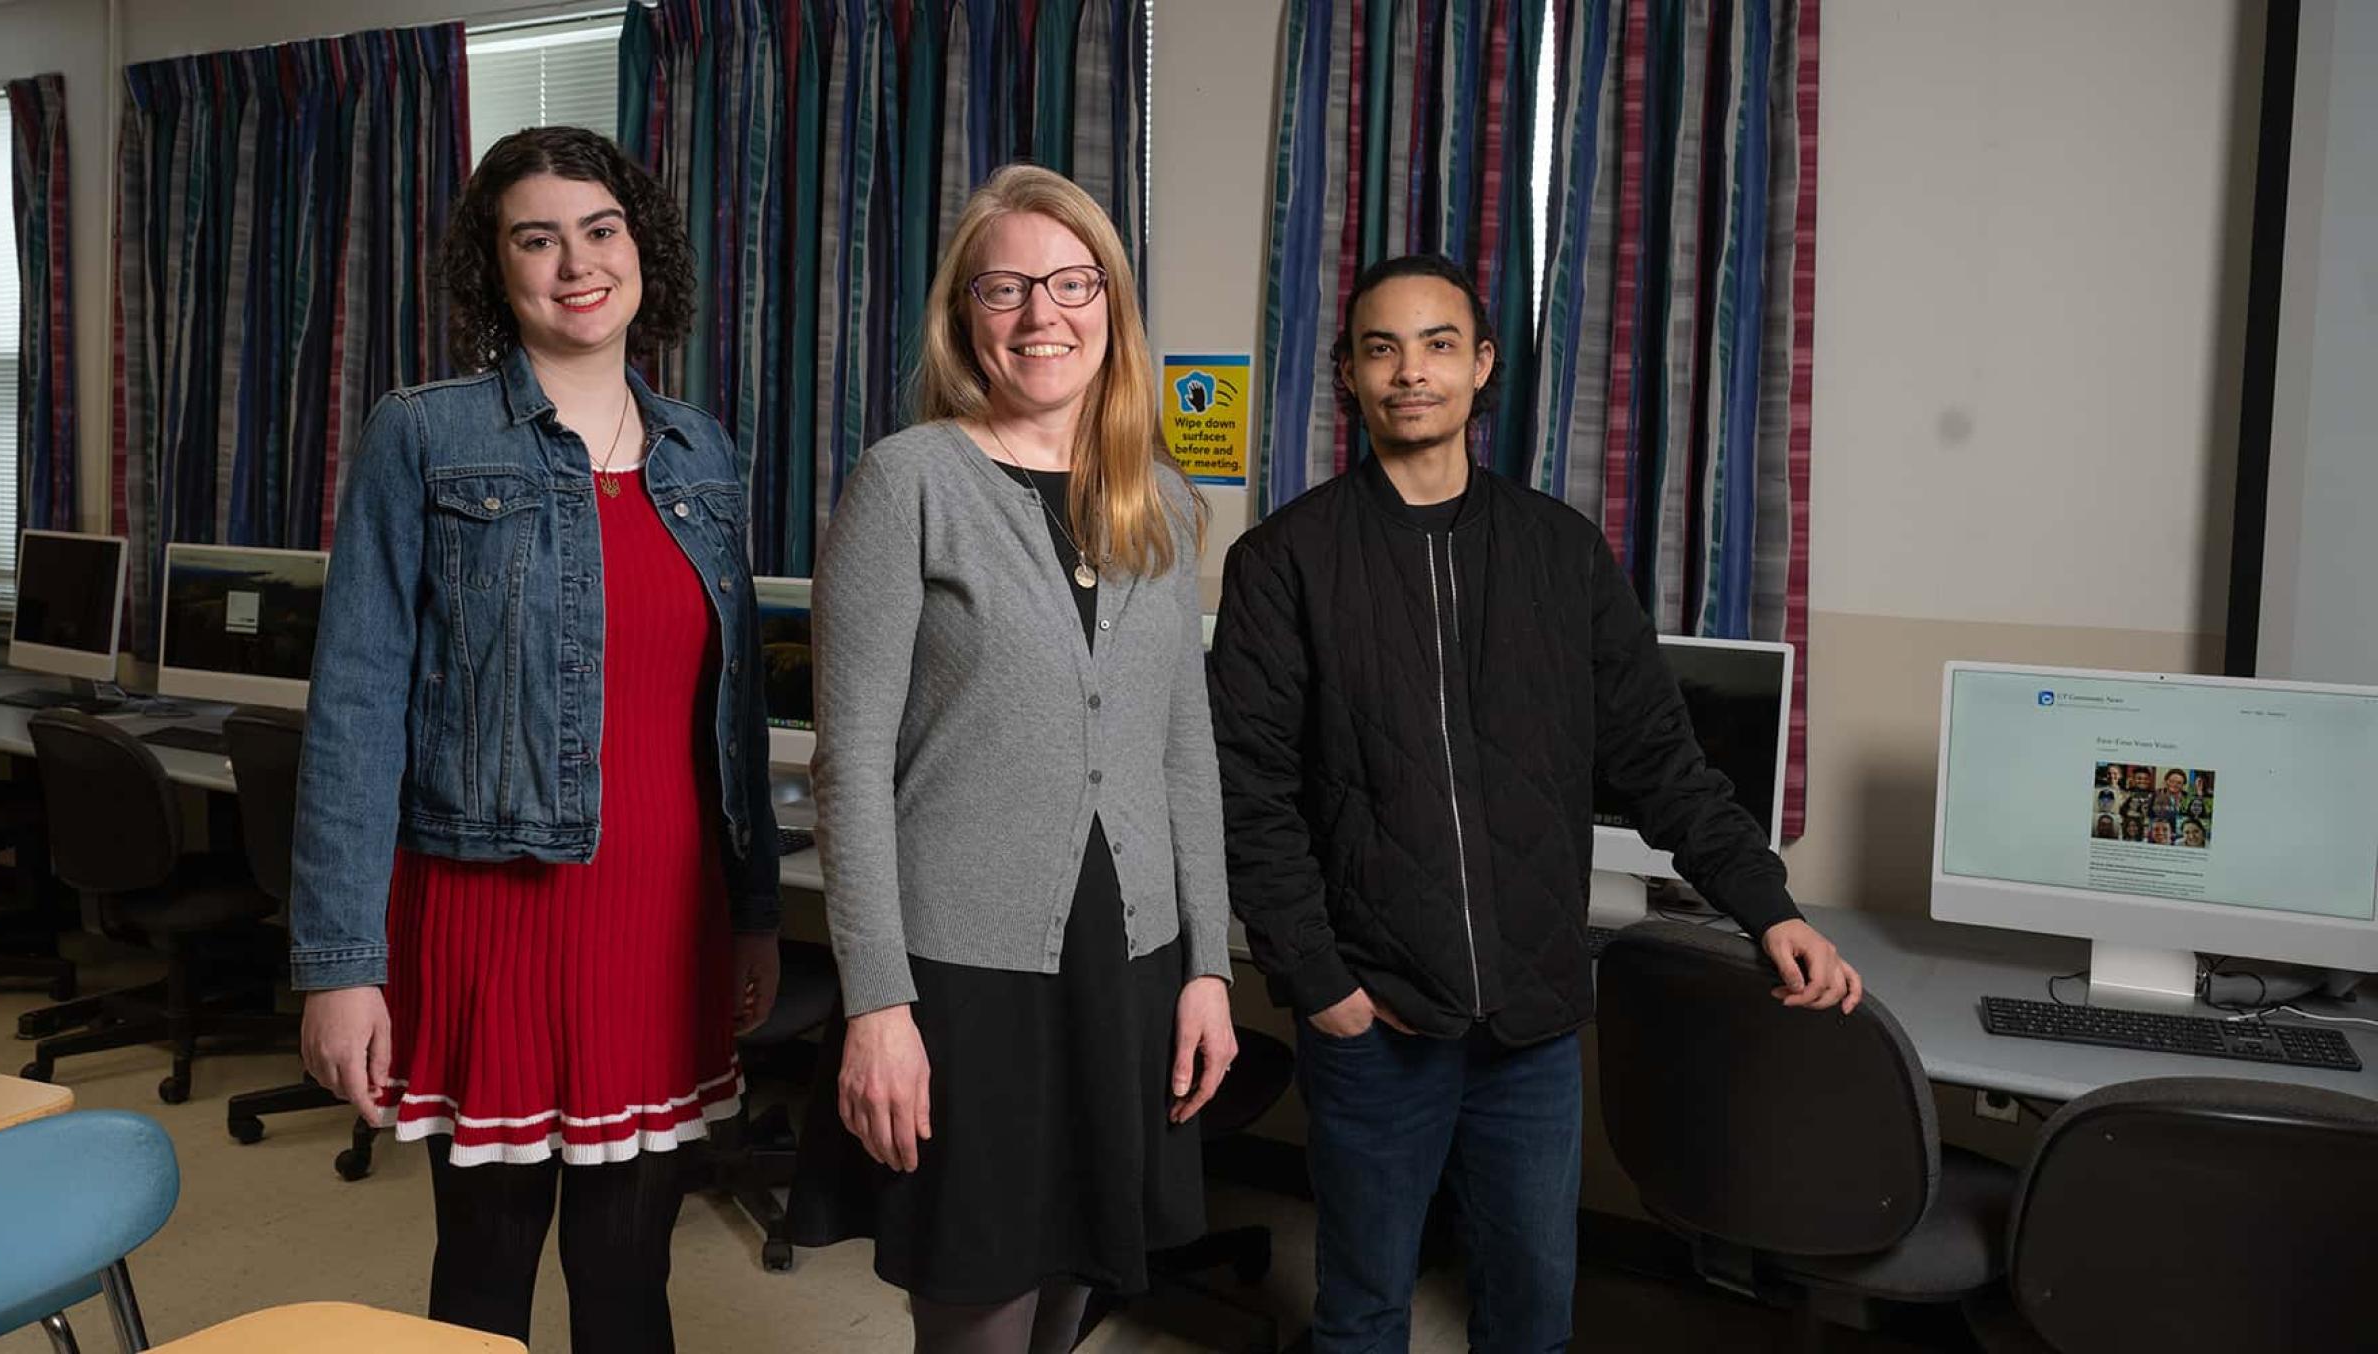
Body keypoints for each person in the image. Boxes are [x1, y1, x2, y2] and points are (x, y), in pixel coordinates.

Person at [1207, 254, 1863, 1353]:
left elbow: (1659, 755)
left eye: (1435, 344)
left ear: (1480, 365)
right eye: (1380, 348)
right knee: (1362, 1314)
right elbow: (1246, 792)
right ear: (1348, 378)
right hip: (1374, 1025)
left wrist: (1768, 907)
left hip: (1530, 1032)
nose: (1408, 371)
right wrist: (1318, 984)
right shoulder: (1287, 561)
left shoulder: (1560, 553)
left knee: (1530, 1316)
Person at [290, 126, 781, 1353]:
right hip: (492, 907)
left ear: (640, 252)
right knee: (486, 1271)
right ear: (493, 268)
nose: (575, 263)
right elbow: (354, 705)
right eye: (536, 237)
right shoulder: (424, 435)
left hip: (664, 918)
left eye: (600, 229)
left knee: (630, 1276)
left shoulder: (703, 453)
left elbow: (734, 718)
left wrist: (755, 909)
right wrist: (339, 964)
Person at [788, 164, 1234, 1354]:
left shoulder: (1162, 503)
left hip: (1127, 959)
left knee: (1082, 1283)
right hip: (961, 972)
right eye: (1005, 287)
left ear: (1111, 306)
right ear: (964, 316)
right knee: (979, 1304)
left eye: (1071, 282)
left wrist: (1209, 967)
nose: (1042, 314)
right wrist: (877, 1002)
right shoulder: (907, 482)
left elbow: (1184, 753)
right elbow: (852, 763)